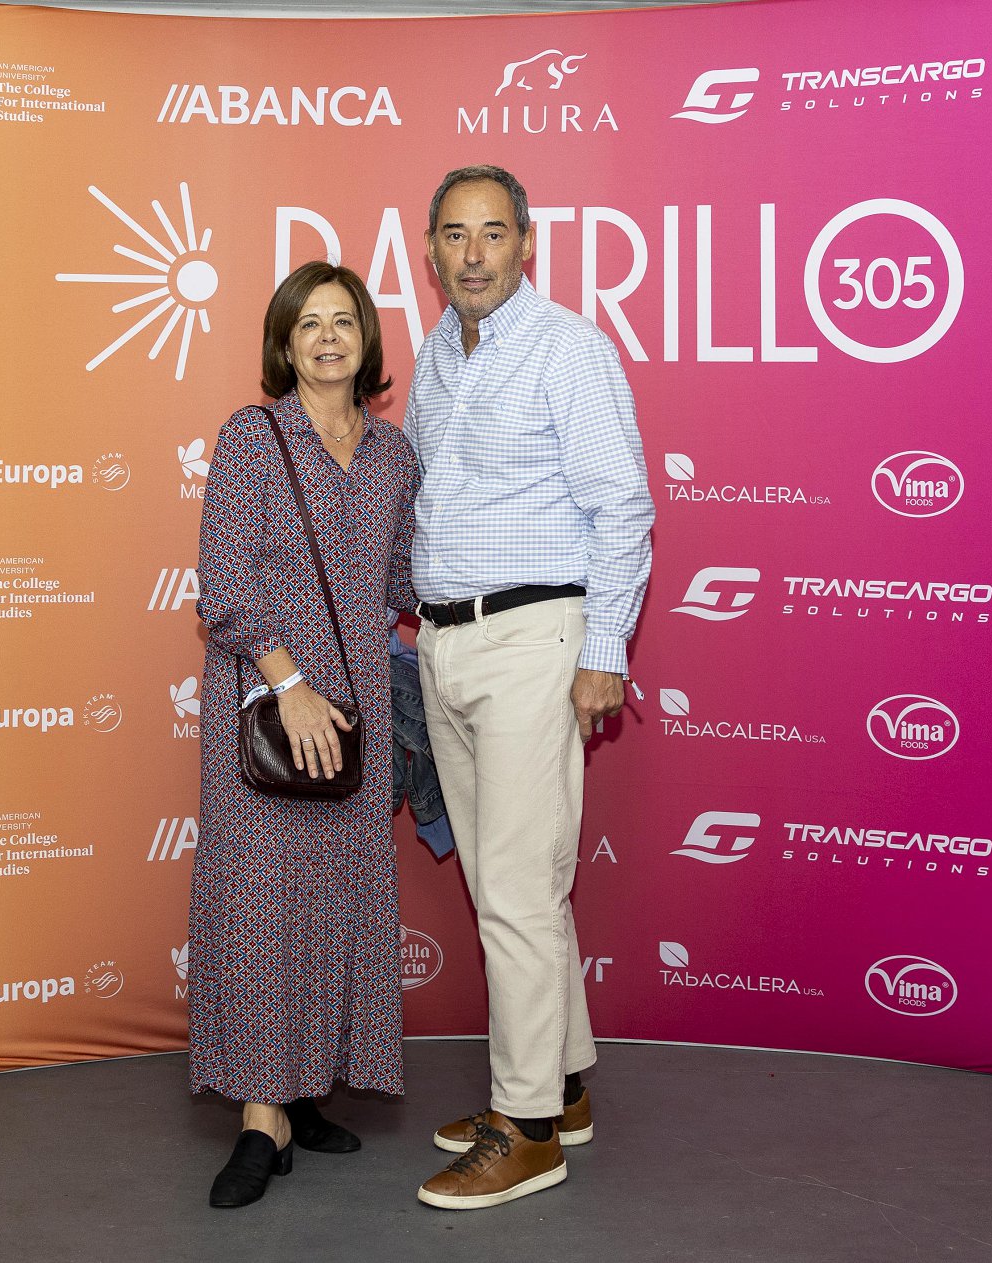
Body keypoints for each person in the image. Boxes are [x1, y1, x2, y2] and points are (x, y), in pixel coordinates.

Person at [405, 165, 654, 1210]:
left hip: (533, 641)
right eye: (454, 235)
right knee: (510, 885)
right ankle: (562, 1086)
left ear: (526, 243)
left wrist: (604, 651)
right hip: (446, 643)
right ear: (430, 249)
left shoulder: (567, 348)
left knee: (514, 891)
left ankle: (527, 1129)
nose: (473, 255)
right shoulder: (434, 353)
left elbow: (623, 509)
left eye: (492, 233)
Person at [189, 260, 420, 1209]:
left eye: (344, 321)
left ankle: (304, 1089)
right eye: (309, 323)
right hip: (267, 703)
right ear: (286, 344)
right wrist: (289, 685)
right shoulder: (253, 437)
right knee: (259, 905)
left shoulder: (396, 454)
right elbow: (224, 582)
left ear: (367, 340)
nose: (328, 338)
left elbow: (405, 581)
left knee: (336, 901)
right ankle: (261, 1120)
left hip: (356, 711)